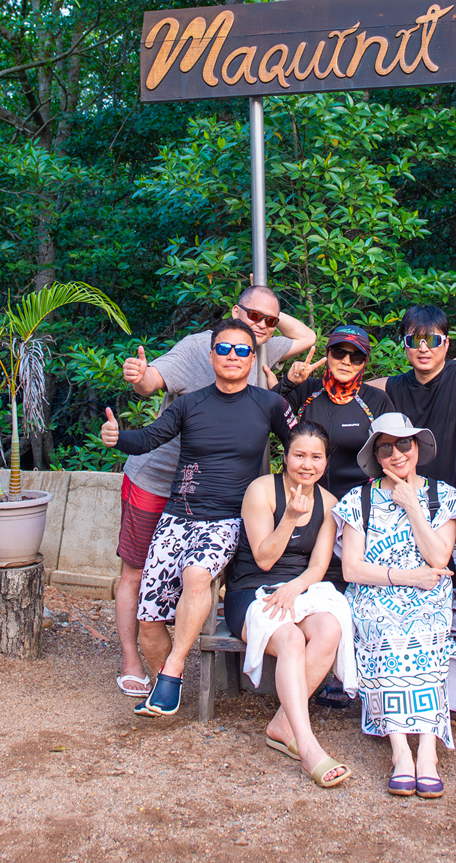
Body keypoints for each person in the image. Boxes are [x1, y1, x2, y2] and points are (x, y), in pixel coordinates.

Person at [111, 285, 315, 697]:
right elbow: (150, 384)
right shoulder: (197, 349)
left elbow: (307, 337)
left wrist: (261, 316)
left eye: (270, 321)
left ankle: (173, 672)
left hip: (222, 501)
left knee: (199, 574)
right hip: (159, 479)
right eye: (252, 316)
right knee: (136, 572)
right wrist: (138, 379)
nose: (260, 326)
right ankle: (135, 662)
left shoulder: (259, 351)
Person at [335, 412, 456, 799]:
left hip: (430, 597)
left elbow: (439, 558)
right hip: (376, 594)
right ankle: (400, 752)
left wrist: (411, 504)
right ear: (376, 457)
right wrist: (407, 577)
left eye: (403, 444)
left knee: (425, 631)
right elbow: (352, 568)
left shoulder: (443, 496)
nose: (396, 454)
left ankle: (427, 752)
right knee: (385, 631)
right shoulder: (358, 499)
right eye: (385, 448)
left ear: (417, 446)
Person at [229, 422, 355, 788]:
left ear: (326, 460)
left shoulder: (329, 503)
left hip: (299, 589)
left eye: (316, 457)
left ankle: (284, 723)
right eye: (299, 455)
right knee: (291, 639)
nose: (307, 464)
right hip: (251, 589)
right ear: (285, 457)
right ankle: (308, 745)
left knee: (330, 628)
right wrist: (289, 518)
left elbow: (318, 566)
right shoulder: (262, 490)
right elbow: (264, 558)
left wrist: (294, 588)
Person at [368, 305, 456, 529]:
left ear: (446, 343)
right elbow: (350, 390)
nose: (423, 349)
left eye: (433, 340)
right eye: (415, 341)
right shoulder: (392, 387)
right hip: (405, 506)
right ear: (405, 345)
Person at [277, 325, 392, 501]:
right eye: (339, 352)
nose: (346, 361)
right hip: (303, 499)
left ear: (365, 362)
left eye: (356, 357)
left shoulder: (376, 400)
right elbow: (265, 413)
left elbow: (394, 452)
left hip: (358, 503)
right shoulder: (305, 389)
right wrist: (288, 383)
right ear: (327, 353)